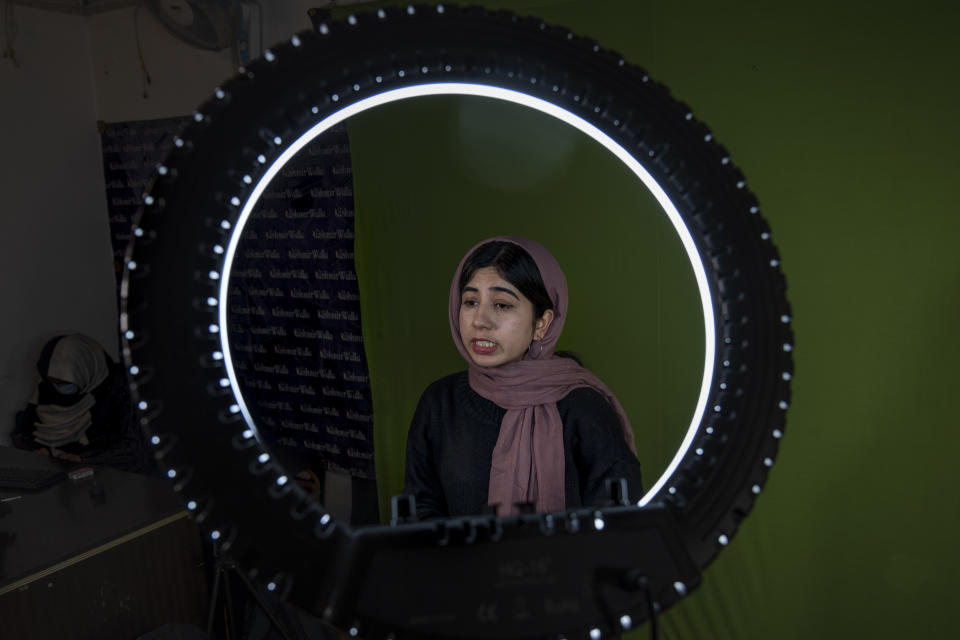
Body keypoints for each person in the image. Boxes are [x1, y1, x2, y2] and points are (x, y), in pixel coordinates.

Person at [403, 237, 643, 519]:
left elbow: (620, 526)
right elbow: (419, 517)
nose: (480, 320)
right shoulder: (440, 404)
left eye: (502, 305)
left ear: (542, 323)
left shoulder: (583, 408)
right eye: (470, 301)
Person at [12, 333, 153, 473]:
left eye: (65, 382)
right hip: (61, 474)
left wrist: (83, 459)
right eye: (54, 381)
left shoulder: (119, 389)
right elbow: (21, 432)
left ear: (85, 370)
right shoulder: (47, 388)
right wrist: (35, 449)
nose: (58, 388)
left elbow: (133, 449)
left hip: (110, 477)